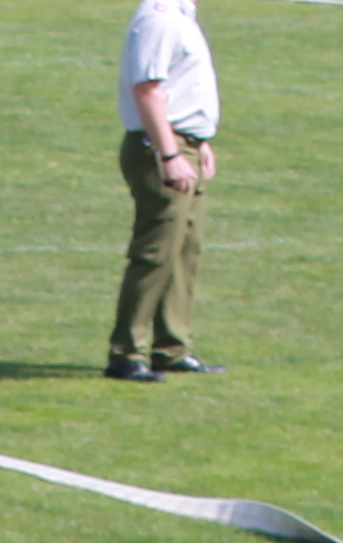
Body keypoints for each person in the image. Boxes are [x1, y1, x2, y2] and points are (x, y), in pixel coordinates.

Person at [105, 0, 223, 385]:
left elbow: (181, 88)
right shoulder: (159, 19)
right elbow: (147, 89)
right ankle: (127, 353)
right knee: (156, 252)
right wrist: (169, 153)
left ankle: (172, 347)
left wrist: (200, 141)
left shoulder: (180, 16)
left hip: (185, 143)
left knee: (185, 249)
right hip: (162, 146)